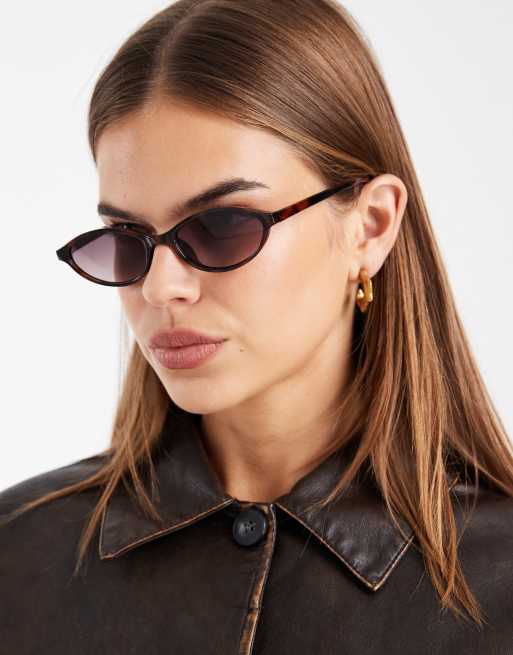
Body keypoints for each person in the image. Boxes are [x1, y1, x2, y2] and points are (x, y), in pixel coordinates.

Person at [1, 0, 512, 652]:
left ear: (371, 225)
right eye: (128, 237)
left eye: (222, 226)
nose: (159, 287)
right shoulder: (18, 557)